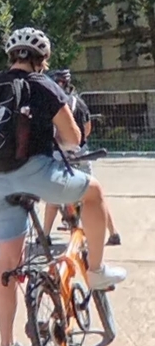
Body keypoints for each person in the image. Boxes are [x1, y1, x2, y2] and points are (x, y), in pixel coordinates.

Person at [0, 28, 126, 346]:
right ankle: (97, 269)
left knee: (8, 266)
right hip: (34, 171)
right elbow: (73, 138)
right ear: (42, 60)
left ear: (11, 57)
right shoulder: (44, 85)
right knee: (94, 192)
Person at [45, 69, 120, 246]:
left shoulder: (52, 105)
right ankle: (113, 233)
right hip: (80, 153)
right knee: (93, 195)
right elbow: (87, 128)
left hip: (59, 154)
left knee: (53, 197)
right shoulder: (79, 102)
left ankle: (45, 236)